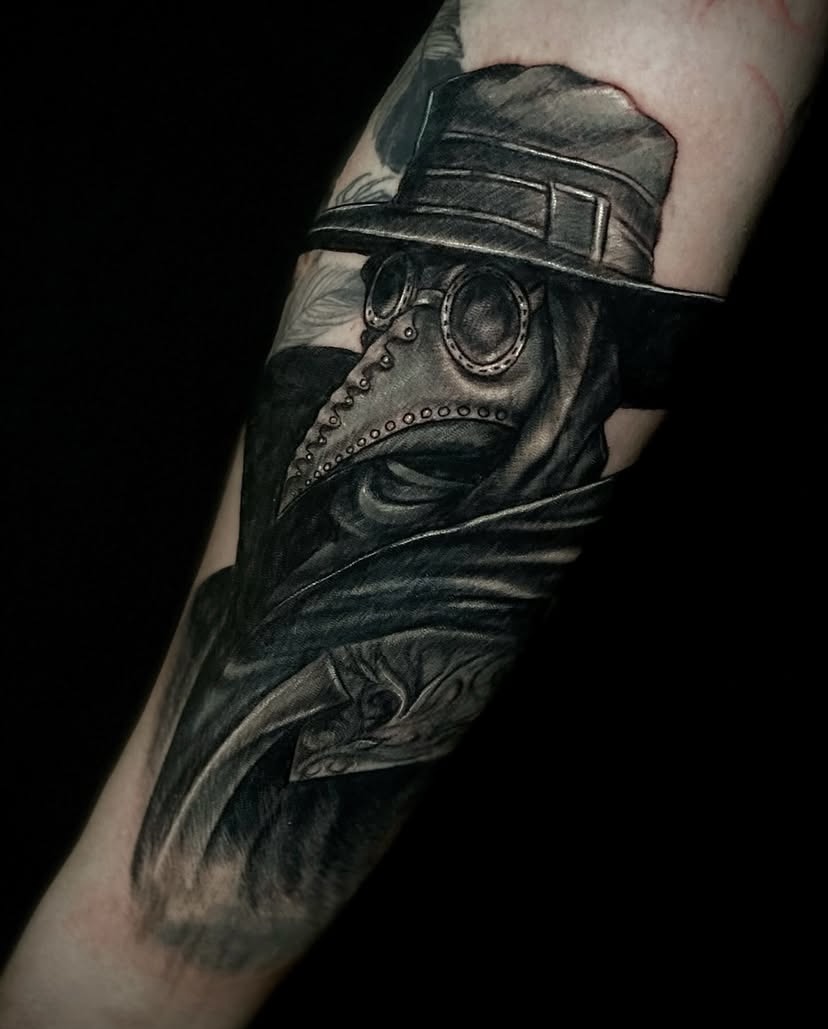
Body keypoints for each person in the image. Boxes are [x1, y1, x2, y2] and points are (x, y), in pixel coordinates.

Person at [2, 2, 825, 1027]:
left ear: (574, 359)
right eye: (397, 288)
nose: (395, 348)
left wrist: (107, 995)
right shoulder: (288, 535)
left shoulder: (417, 653)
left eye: (483, 310)